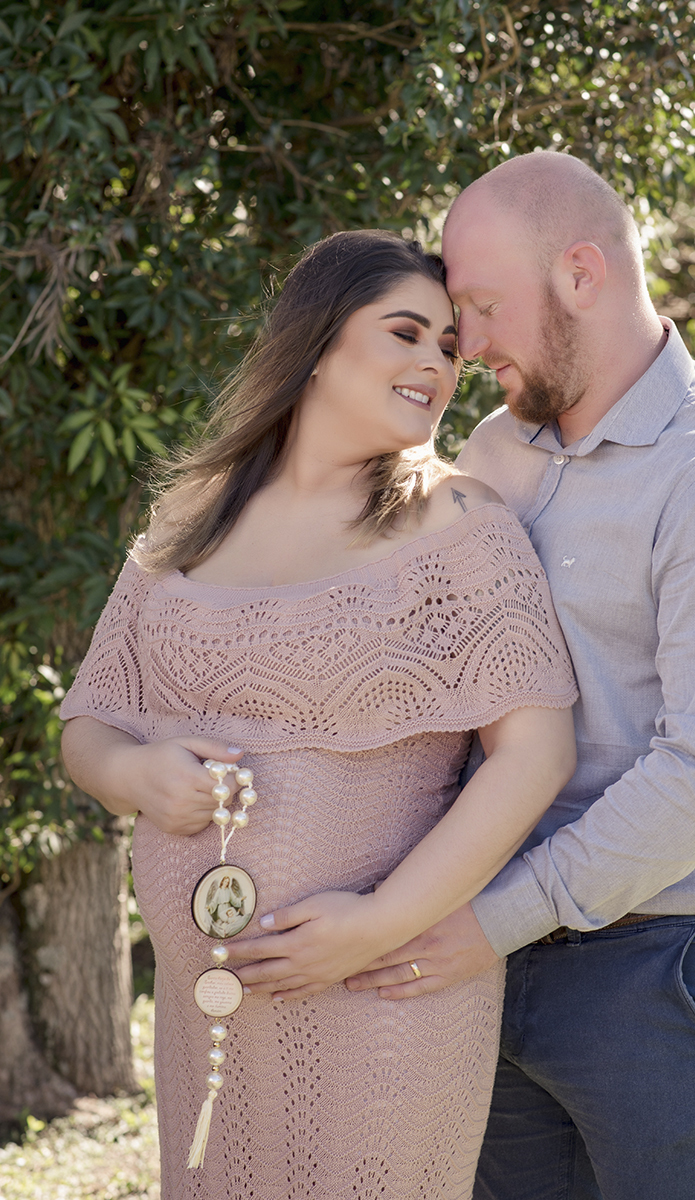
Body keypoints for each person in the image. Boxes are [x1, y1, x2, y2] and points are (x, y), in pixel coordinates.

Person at [59, 230, 578, 1200]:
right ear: (315, 338)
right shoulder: (190, 521)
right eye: (405, 332)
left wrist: (378, 922)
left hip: (380, 986)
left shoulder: (456, 525)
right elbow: (89, 722)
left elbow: (534, 752)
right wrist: (135, 775)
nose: (434, 362)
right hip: (203, 1009)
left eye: (449, 347)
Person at [336, 154, 695, 1200]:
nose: (470, 345)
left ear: (581, 274)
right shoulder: (498, 451)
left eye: (482, 309)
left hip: (663, 967)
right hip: (493, 944)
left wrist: (486, 922)